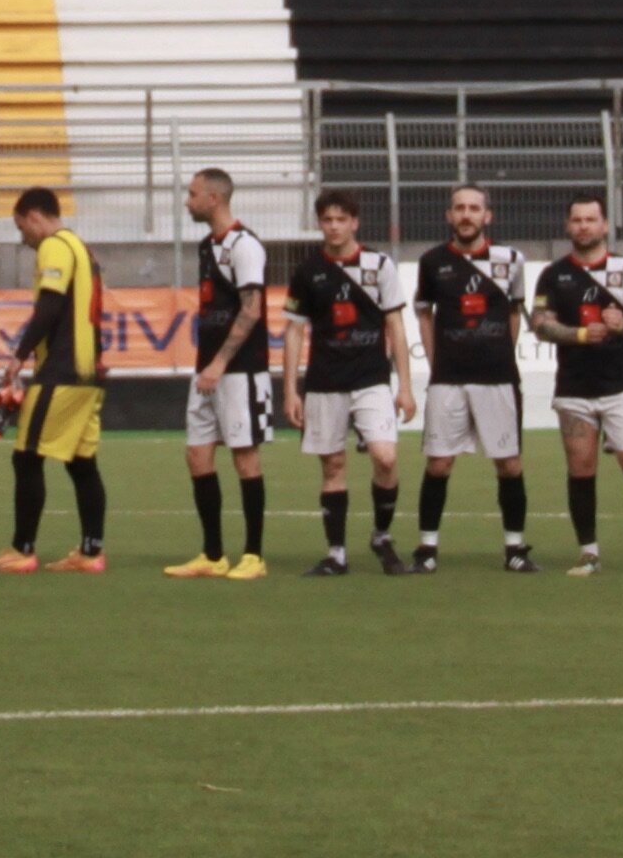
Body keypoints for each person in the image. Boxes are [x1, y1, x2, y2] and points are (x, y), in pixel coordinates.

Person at [530, 194, 623, 576]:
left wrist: (621, 323)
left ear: (605, 225)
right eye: (577, 220)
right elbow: (540, 323)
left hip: (620, 385)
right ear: (568, 226)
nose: (584, 226)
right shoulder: (554, 275)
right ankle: (588, 552)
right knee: (581, 468)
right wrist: (580, 334)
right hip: (574, 388)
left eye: (591, 220)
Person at [0, 185, 108, 573]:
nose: (23, 238)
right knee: (82, 463)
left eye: (22, 228)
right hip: (90, 373)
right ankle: (90, 552)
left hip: (63, 372)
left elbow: (49, 306)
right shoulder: (82, 249)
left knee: (27, 457)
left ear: (35, 217)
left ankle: (23, 549)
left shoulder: (55, 245)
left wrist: (18, 357)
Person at [408, 184, 532, 573]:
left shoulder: (511, 260)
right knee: (439, 464)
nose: (466, 215)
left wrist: (502, 355)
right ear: (449, 215)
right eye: (459, 208)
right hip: (449, 379)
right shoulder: (432, 261)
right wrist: (434, 361)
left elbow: (514, 312)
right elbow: (423, 312)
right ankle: (427, 548)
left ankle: (514, 548)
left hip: (497, 378)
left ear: (487, 216)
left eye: (473, 208)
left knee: (509, 464)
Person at [290, 189, 411, 576]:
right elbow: (293, 331)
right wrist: (290, 389)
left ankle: (380, 534)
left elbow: (396, 325)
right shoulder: (308, 271)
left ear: (355, 223)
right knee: (333, 466)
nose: (334, 226)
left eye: (342, 219)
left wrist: (405, 386)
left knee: (385, 457)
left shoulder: (379, 265)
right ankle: (336, 553)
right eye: (327, 219)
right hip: (325, 382)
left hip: (372, 379)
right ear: (319, 223)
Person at [172, 167, 273, 579]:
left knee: (244, 457)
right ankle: (212, 554)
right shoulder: (205, 246)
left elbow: (252, 308)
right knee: (197, 454)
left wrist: (219, 362)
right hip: (208, 370)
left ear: (213, 198)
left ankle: (253, 555)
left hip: (240, 372)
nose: (187, 200)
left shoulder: (244, 245)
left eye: (192, 193)